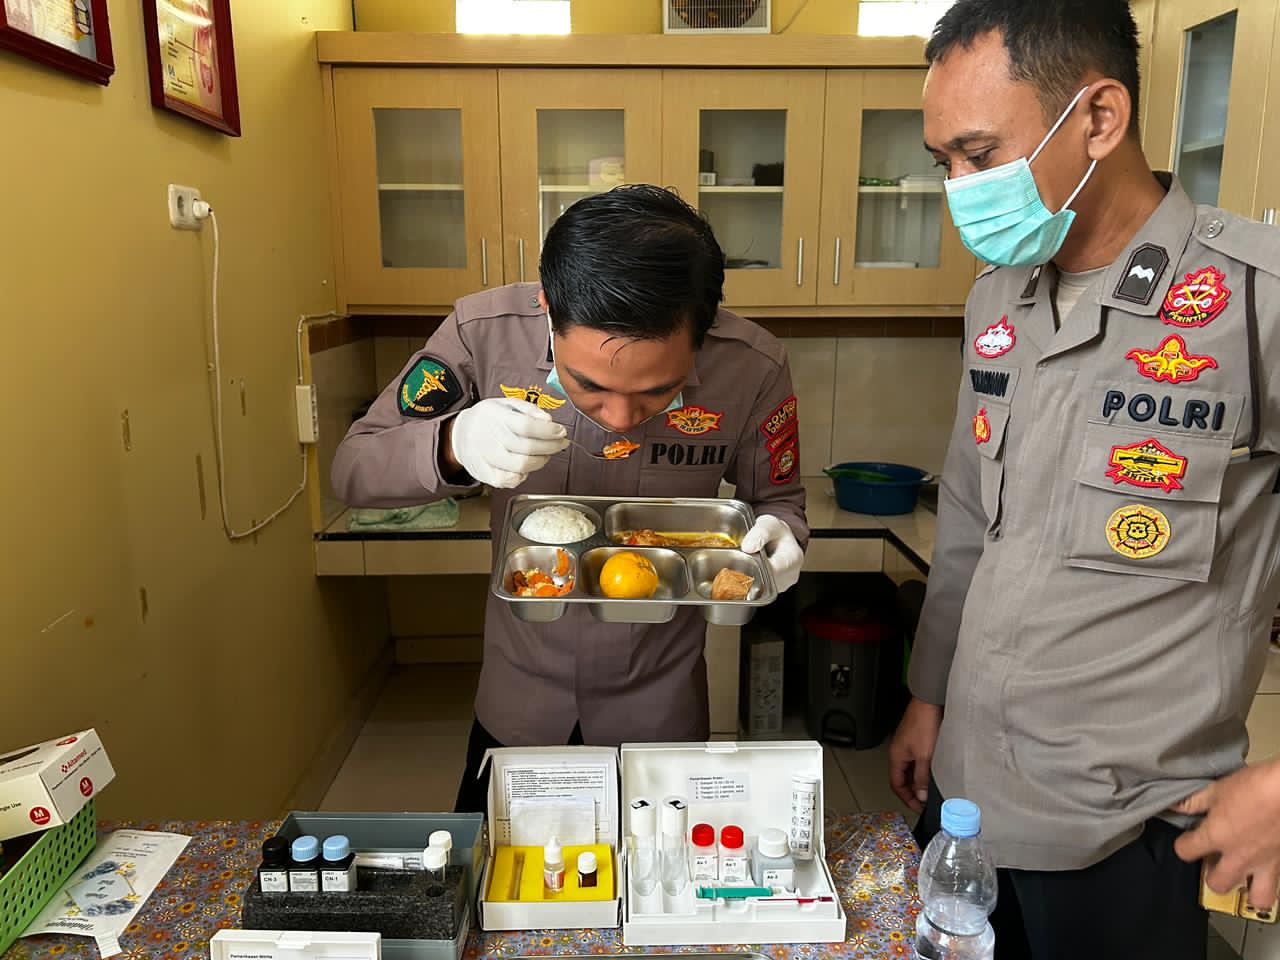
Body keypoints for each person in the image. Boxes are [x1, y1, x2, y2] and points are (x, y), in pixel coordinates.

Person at [886, 1, 1280, 956]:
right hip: (968, 802)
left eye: (979, 155)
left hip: (1129, 830)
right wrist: (928, 695)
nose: (960, 188)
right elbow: (973, 522)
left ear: (1100, 120)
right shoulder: (998, 298)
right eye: (944, 162)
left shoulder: (1255, 302)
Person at [332, 184, 807, 813]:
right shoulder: (482, 334)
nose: (619, 417)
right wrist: (453, 441)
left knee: (657, 897)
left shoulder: (753, 367)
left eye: (656, 392)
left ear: (703, 330)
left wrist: (782, 534)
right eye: (589, 385)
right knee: (500, 897)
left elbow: (781, 500)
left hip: (660, 712)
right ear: (547, 308)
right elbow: (352, 469)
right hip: (520, 701)